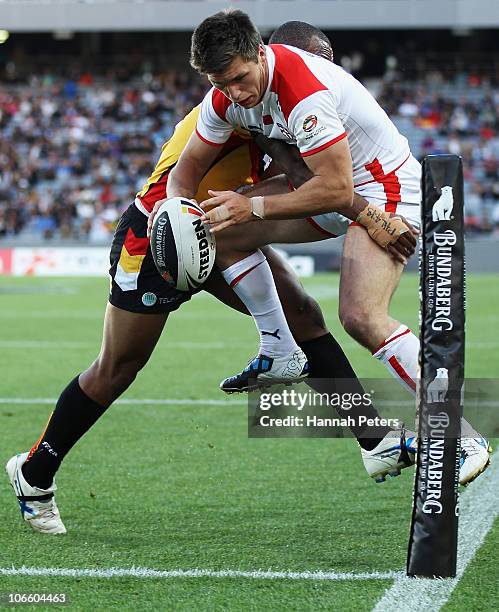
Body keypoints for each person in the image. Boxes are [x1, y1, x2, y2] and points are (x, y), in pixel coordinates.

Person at [6, 42, 418, 535]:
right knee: (118, 367)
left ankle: (374, 438)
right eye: (319, 60)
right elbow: (310, 180)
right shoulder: (250, 101)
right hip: (160, 234)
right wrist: (373, 216)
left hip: (224, 222)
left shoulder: (284, 101)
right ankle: (34, 471)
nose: (324, 72)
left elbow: (312, 181)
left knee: (302, 314)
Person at [155, 12, 490, 484]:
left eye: (238, 79)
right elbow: (184, 172)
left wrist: (251, 209)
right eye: (221, 83)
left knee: (360, 316)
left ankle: (463, 433)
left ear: (259, 54)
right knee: (217, 230)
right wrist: (176, 212)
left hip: (383, 190)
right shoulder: (224, 98)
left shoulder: (302, 90)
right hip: (322, 189)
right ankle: (280, 347)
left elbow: (336, 190)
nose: (234, 93)